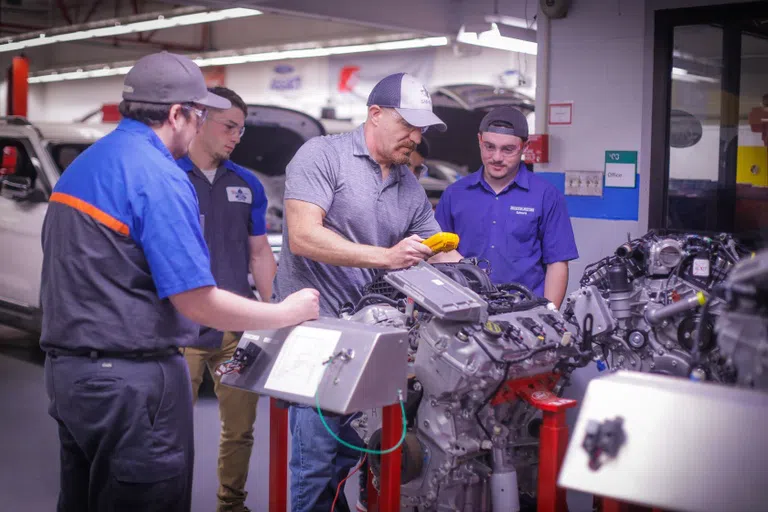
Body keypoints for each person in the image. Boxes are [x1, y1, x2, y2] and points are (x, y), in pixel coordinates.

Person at [40, 51, 319, 512]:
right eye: (199, 115)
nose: (199, 126)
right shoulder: (158, 176)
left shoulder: (86, 164)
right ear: (176, 114)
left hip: (71, 377)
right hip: (133, 385)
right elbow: (196, 300)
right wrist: (283, 313)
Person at [273, 72, 461, 512]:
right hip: (316, 337)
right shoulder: (321, 156)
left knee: (355, 460)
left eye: (422, 129)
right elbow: (303, 236)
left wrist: (474, 285)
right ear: (374, 114)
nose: (415, 137)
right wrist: (386, 257)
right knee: (315, 466)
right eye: (408, 125)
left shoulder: (406, 182)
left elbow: (435, 251)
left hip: (371, 339)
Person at [176, 86, 272, 512]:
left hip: (235, 330)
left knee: (240, 428)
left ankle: (231, 504)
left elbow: (260, 253)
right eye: (229, 126)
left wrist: (274, 315)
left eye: (241, 130)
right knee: (169, 430)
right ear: (200, 119)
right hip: (179, 328)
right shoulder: (168, 176)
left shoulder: (247, 184)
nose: (235, 136)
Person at [435, 105, 578, 308]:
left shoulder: (546, 196)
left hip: (525, 310)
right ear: (479, 141)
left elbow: (557, 263)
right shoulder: (455, 195)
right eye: (489, 147)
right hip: (466, 309)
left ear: (524, 147)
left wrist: (550, 314)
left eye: (508, 149)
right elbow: (438, 254)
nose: (497, 157)